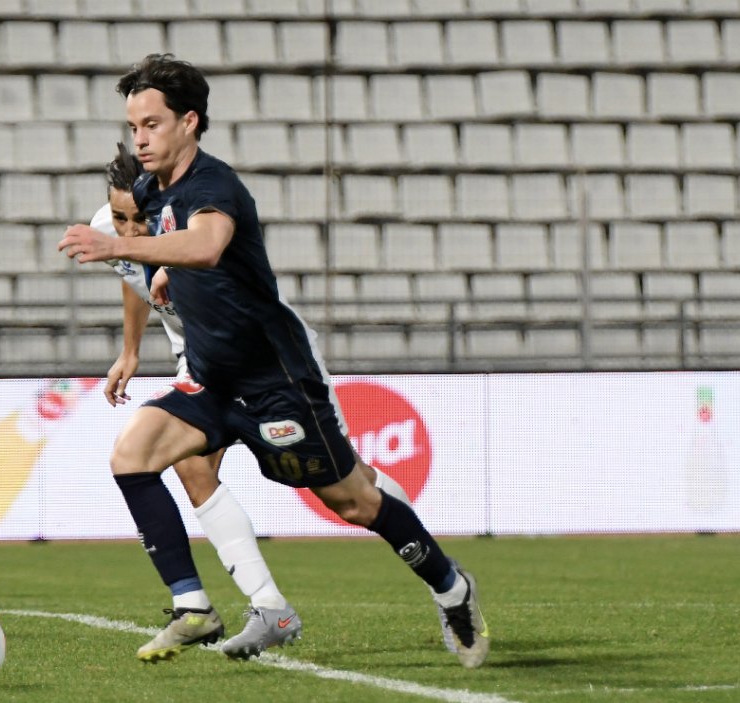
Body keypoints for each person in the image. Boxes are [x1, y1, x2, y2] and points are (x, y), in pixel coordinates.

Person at [60, 54, 489, 669]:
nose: (141, 139)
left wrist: (119, 247)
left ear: (189, 121)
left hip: (274, 380)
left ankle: (451, 588)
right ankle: (195, 605)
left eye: (152, 125)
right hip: (210, 378)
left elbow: (208, 244)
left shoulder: (214, 185)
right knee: (132, 455)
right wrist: (150, 297)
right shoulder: (151, 191)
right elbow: (147, 265)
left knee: (355, 501)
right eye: (134, 127)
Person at [91, 143, 414, 662]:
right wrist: (130, 350)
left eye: (138, 220)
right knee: (189, 466)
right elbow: (133, 274)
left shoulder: (195, 223)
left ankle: (425, 552)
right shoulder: (111, 230)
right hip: (201, 362)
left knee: (349, 488)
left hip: (270, 360)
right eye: (119, 219)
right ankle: (261, 606)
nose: (129, 232)